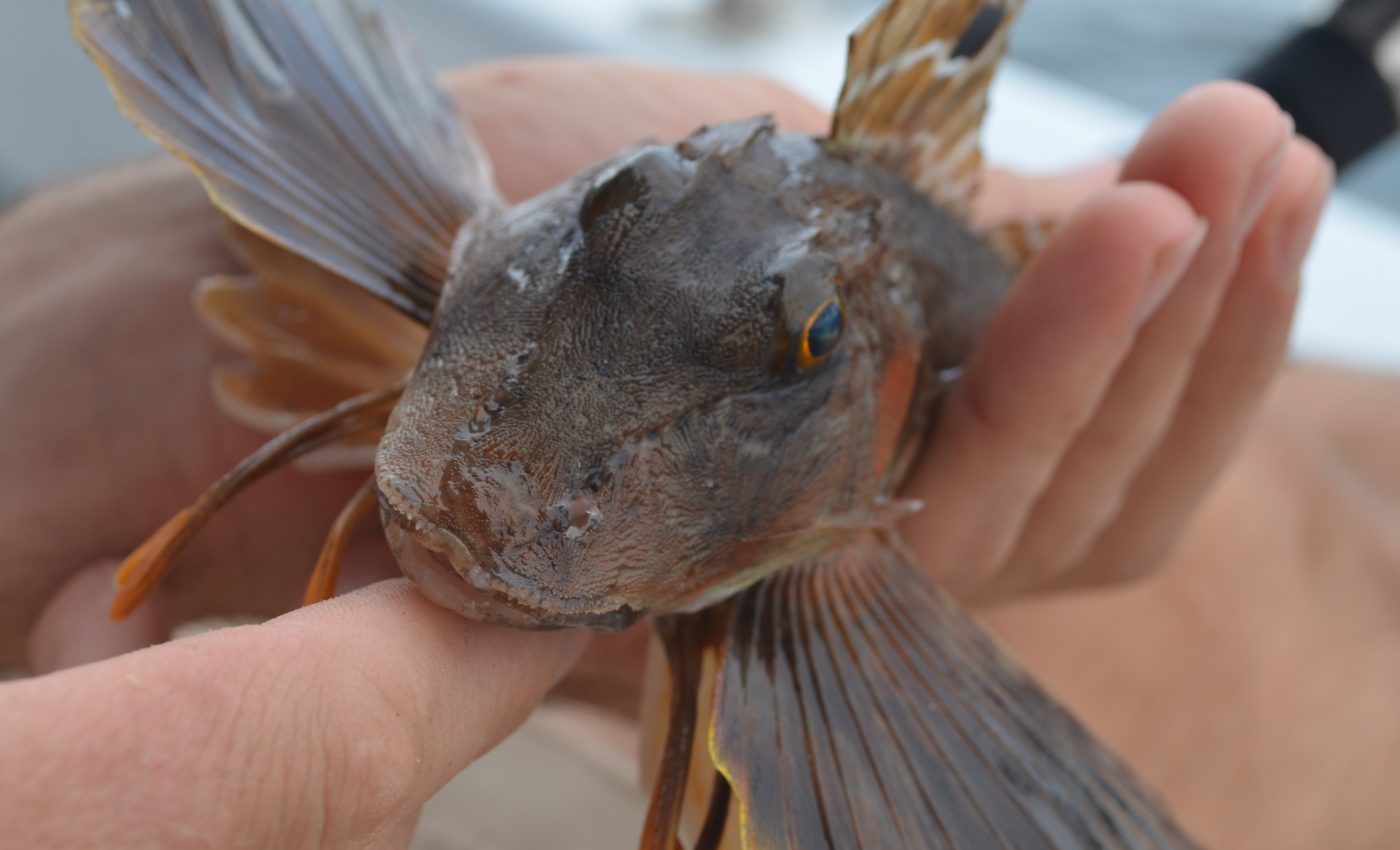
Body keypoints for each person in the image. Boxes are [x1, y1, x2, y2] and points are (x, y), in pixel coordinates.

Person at [0, 59, 1391, 849]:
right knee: (1303, 536)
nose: (500, 494)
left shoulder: (838, 445)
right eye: (611, 205)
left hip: (906, 367)